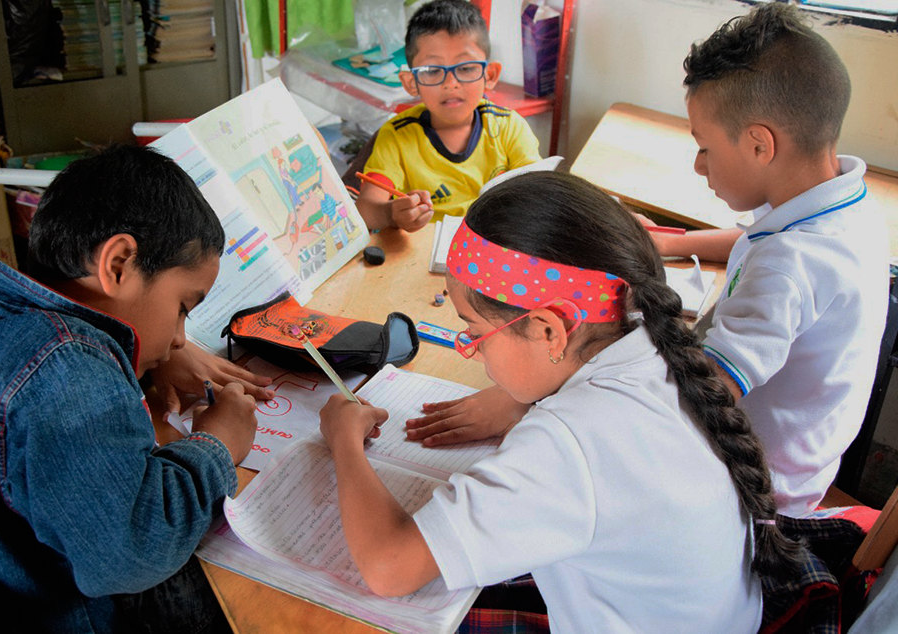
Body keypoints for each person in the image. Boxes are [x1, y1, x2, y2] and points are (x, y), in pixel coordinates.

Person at [320, 171, 803, 633]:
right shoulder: (657, 344)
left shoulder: (569, 442)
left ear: (550, 330)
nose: (474, 352)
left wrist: (345, 441)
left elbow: (389, 567)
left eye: (475, 334)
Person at [0, 145, 262, 633]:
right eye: (183, 306)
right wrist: (217, 445)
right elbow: (132, 551)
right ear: (120, 263)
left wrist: (144, 360)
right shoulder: (68, 368)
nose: (178, 337)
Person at [638, 3, 889, 515]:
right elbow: (757, 238)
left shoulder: (788, 265)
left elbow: (706, 396)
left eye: (704, 146)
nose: (698, 164)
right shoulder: (839, 204)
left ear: (759, 144)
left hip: (748, 492)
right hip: (804, 465)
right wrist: (672, 243)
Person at [355, 0, 541, 232]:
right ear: (411, 83)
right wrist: (393, 214)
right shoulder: (396, 136)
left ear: (490, 75)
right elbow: (365, 211)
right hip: (422, 256)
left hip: (493, 249)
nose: (450, 84)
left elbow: (538, 196)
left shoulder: (510, 128)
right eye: (432, 71)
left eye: (466, 68)